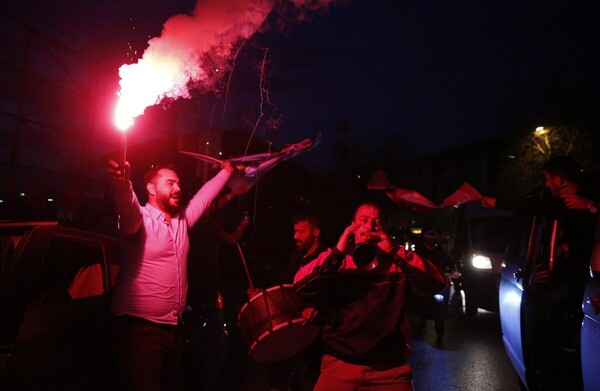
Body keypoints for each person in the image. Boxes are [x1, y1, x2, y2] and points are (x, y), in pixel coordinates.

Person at [105, 159, 233, 391]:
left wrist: (226, 173)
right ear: (152, 189)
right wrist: (123, 187)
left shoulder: (180, 222)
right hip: (140, 332)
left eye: (179, 183)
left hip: (173, 329)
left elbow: (203, 198)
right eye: (170, 183)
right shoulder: (139, 220)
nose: (177, 188)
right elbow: (128, 206)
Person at [293, 202, 448, 391]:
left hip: (390, 372)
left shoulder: (397, 263)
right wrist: (338, 251)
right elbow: (300, 285)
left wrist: (394, 250)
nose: (370, 227)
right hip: (339, 367)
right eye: (363, 221)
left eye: (377, 222)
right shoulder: (338, 261)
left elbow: (437, 282)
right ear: (352, 226)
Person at [481, 155, 598, 390]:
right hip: (568, 282)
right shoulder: (558, 203)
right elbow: (529, 206)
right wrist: (492, 201)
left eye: (547, 179)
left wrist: (590, 206)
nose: (545, 185)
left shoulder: (592, 196)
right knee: (545, 313)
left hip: (585, 282)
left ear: (559, 179)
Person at [411, 227, 457, 340]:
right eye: (429, 238)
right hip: (423, 280)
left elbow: (448, 261)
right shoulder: (419, 250)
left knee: (446, 290)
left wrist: (452, 270)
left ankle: (444, 310)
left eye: (433, 238)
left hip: (437, 280)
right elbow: (412, 261)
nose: (431, 241)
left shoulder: (439, 250)